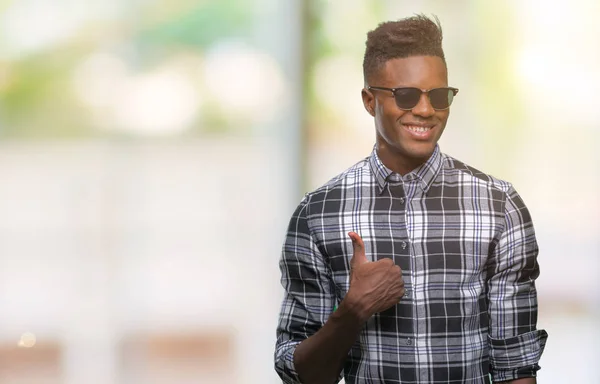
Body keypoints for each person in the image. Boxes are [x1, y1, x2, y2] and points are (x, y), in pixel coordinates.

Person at [274, 14, 547, 384]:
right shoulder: (318, 214)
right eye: (405, 95)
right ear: (370, 101)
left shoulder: (499, 207)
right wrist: (352, 311)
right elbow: (302, 375)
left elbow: (516, 368)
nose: (425, 109)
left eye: (438, 95)